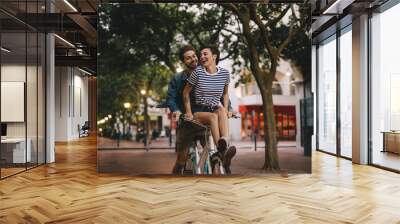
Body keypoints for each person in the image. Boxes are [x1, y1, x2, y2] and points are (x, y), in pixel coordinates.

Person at [166, 45, 235, 174]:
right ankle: (173, 180)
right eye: (188, 58)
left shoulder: (207, 73)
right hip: (187, 122)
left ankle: (222, 159)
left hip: (206, 120)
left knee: (211, 151)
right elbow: (171, 98)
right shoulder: (177, 78)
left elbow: (219, 94)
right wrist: (176, 110)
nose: (193, 59)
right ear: (183, 62)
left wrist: (229, 109)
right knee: (181, 159)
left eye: (194, 56)